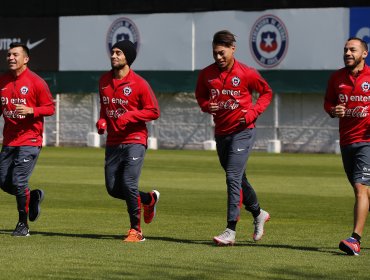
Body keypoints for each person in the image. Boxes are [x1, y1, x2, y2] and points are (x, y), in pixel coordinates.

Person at [195, 30, 273, 245]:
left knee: (232, 177)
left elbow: (266, 93)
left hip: (243, 132)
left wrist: (253, 112)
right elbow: (201, 95)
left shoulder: (246, 72)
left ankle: (230, 230)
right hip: (221, 133)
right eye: (215, 53)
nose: (218, 58)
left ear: (232, 49)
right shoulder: (206, 74)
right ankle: (258, 213)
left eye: (222, 53)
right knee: (239, 179)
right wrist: (205, 105)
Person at [96, 40, 160, 242]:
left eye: (118, 53)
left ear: (128, 58)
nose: (113, 56)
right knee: (114, 189)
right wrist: (102, 121)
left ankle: (136, 231)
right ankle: (149, 200)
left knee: (129, 183)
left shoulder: (139, 84)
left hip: (135, 140)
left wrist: (129, 116)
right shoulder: (104, 81)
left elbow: (153, 111)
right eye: (113, 52)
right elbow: (105, 109)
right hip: (113, 142)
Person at [0, 42, 55, 236]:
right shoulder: (3, 81)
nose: (11, 58)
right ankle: (32, 197)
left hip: (30, 140)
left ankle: (23, 225)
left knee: (18, 180)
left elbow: (50, 108)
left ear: (26, 59)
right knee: (3, 180)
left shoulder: (36, 82)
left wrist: (32, 110)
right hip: (9, 141)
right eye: (8, 55)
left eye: (15, 54)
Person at [324, 37, 370, 256]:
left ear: (364, 54)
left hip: (367, 142)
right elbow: (328, 102)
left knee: (361, 188)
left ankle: (355, 239)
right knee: (360, 190)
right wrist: (334, 110)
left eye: (353, 49)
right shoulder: (336, 78)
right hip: (347, 142)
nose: (348, 53)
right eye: (345, 50)